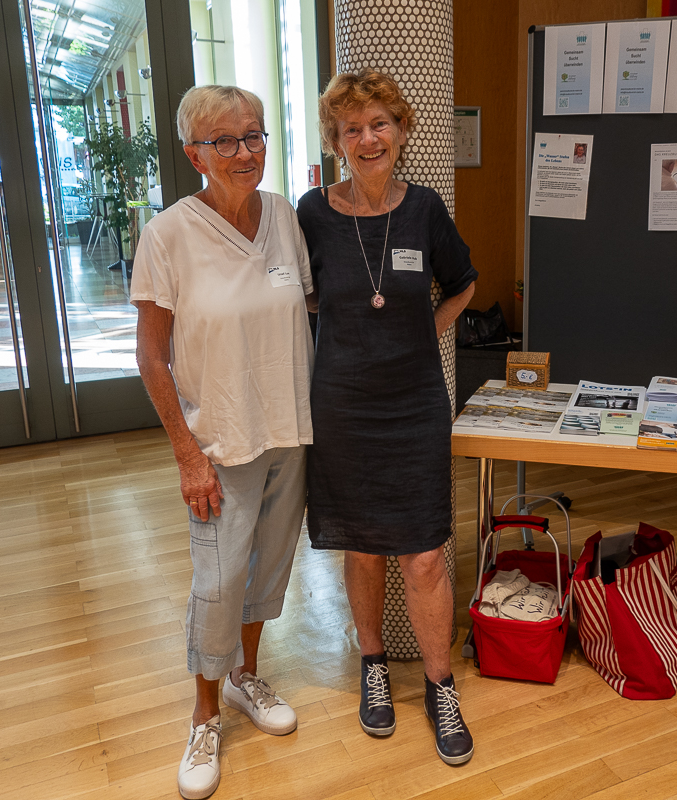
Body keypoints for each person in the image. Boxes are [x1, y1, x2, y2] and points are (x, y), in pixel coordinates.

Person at [130, 85, 316, 800]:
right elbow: (152, 357)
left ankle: (244, 677)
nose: (245, 152)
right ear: (194, 154)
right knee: (217, 583)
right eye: (225, 141)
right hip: (219, 441)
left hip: (288, 432)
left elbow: (306, 306)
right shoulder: (167, 235)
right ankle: (204, 715)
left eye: (254, 135)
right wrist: (187, 454)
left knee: (267, 569)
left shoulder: (284, 217)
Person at [297, 68, 479, 766]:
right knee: (363, 545)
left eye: (380, 124)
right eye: (353, 128)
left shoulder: (425, 209)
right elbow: (301, 296)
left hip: (414, 406)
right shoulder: (313, 214)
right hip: (342, 405)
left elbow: (463, 283)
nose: (368, 138)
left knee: (425, 552)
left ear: (401, 131)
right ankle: (372, 664)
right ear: (336, 141)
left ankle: (440, 686)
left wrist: (423, 331)